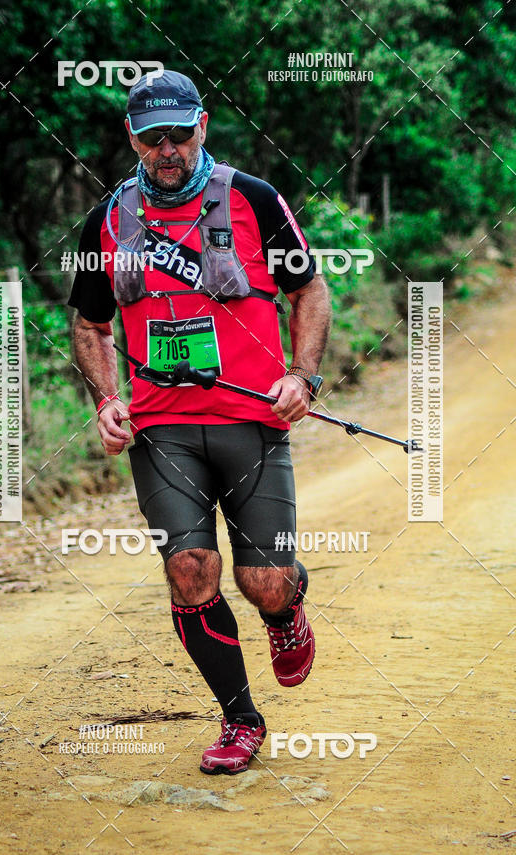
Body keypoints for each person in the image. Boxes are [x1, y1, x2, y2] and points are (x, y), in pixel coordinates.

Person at [68, 69, 331, 775]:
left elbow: (309, 290)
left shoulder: (254, 200)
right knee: (190, 568)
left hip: (251, 419)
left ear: (203, 126)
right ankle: (240, 719)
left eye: (180, 134)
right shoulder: (109, 221)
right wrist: (105, 398)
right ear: (132, 138)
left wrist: (302, 377)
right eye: (153, 137)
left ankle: (286, 610)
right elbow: (90, 324)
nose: (168, 149)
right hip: (162, 431)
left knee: (265, 579)